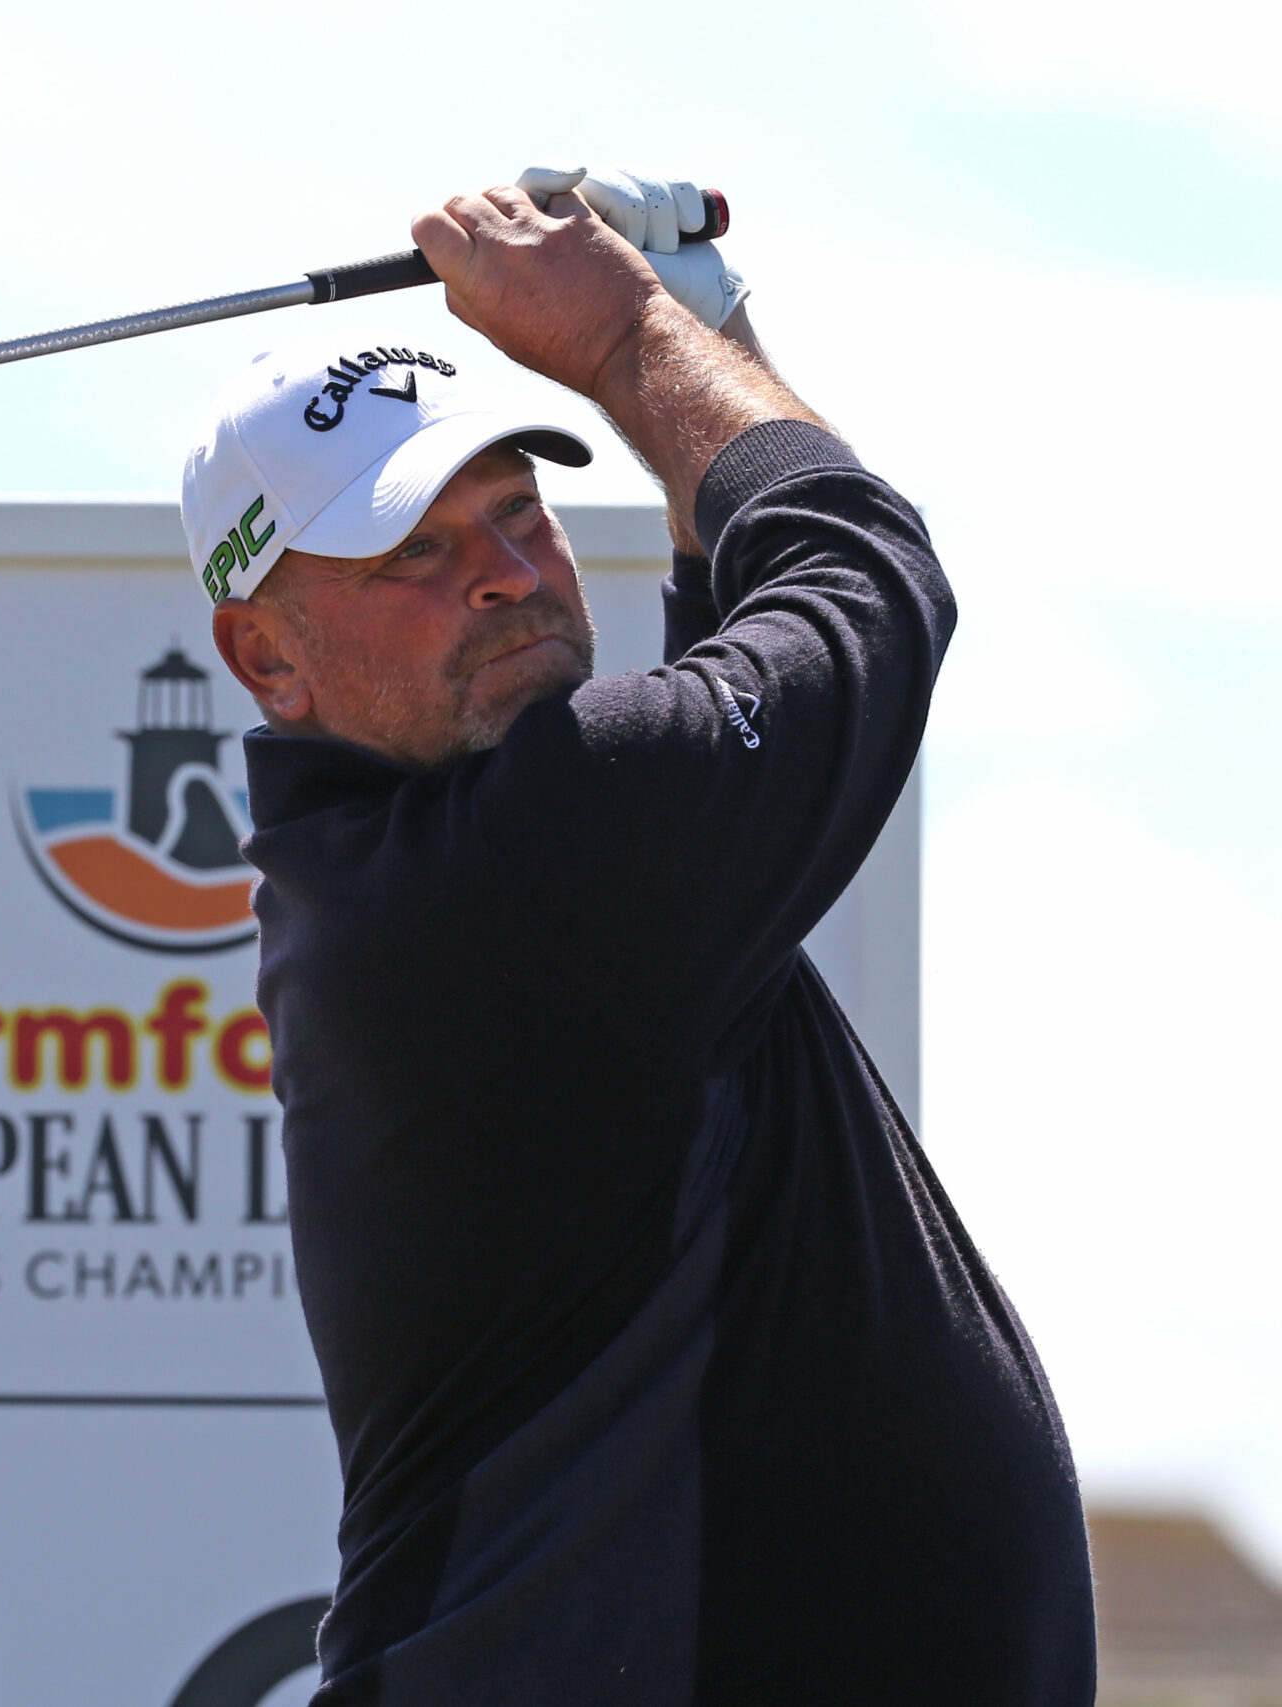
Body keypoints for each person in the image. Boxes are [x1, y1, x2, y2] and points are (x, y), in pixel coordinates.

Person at [180, 167, 1094, 1704]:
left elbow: (741, 599)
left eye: (517, 508)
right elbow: (859, 574)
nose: (505, 571)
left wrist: (704, 338)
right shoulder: (525, 865)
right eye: (413, 551)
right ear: (266, 656)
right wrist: (626, 340)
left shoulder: (438, 864)